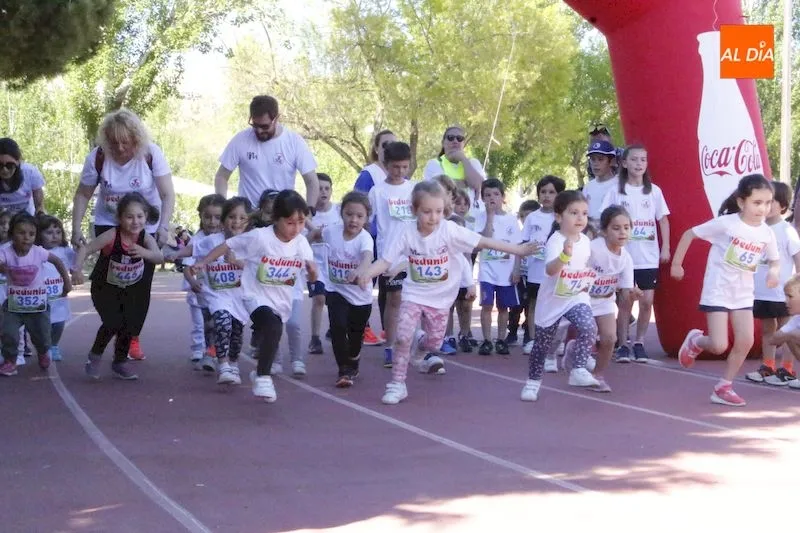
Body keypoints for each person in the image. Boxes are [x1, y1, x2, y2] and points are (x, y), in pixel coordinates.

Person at [354, 181, 537, 405]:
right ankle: (397, 384)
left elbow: (484, 241)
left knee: (434, 343)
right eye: (427, 212)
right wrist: (367, 274)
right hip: (414, 293)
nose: (433, 217)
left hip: (441, 299)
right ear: (414, 210)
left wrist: (518, 249)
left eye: (438, 212)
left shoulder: (449, 230)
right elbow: (385, 260)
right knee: (402, 338)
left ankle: (421, 350)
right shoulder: (406, 231)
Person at [192, 190, 317, 403]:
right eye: (290, 223)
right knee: (272, 326)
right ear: (276, 219)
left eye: (301, 222)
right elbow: (228, 245)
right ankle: (263, 377)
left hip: (281, 298)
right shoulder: (260, 237)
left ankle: (259, 371)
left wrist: (313, 274)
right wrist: (204, 262)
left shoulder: (301, 243)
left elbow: (312, 275)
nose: (296, 228)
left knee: (274, 332)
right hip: (254, 296)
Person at [71, 108, 175, 361]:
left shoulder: (151, 154)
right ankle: (115, 324)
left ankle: (132, 335)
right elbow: (83, 193)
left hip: (143, 225)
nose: (119, 148)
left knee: (139, 285)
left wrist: (163, 225)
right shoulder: (97, 157)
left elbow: (167, 194)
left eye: (125, 142)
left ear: (136, 140)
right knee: (113, 280)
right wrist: (75, 228)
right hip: (109, 222)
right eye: (113, 142)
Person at [671, 174, 779, 407]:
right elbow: (689, 234)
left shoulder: (766, 233)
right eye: (757, 203)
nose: (763, 208)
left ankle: (723, 386)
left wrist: (773, 272)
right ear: (742, 202)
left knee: (746, 341)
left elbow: (774, 260)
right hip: (718, 290)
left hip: (742, 294)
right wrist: (677, 264)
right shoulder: (727, 224)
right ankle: (697, 341)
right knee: (719, 345)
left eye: (768, 203)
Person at [74, 193, 165, 380]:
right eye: (129, 217)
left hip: (130, 288)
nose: (135, 222)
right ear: (119, 218)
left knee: (129, 323)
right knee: (113, 322)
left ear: (146, 217)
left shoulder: (146, 238)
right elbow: (86, 248)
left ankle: (120, 361)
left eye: (140, 217)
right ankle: (95, 356)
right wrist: (77, 269)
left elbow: (159, 257)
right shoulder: (112, 235)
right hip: (105, 287)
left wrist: (144, 252)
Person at [521, 191, 600, 403]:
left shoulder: (585, 241)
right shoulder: (556, 241)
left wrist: (588, 277)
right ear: (558, 217)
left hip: (575, 297)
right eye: (573, 213)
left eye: (584, 213)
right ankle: (533, 382)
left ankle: (578, 369)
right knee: (542, 346)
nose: (580, 218)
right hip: (552, 300)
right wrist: (565, 255)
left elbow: (586, 265)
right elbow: (550, 269)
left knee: (589, 326)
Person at [601, 144, 670, 363]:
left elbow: (663, 219)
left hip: (648, 256)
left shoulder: (654, 191)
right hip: (624, 256)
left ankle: (639, 342)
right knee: (625, 301)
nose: (638, 164)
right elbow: (605, 219)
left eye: (643, 160)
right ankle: (622, 344)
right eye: (634, 160)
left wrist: (666, 247)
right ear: (624, 163)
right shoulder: (615, 191)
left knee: (647, 301)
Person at [214, 95, 320, 209]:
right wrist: (222, 208)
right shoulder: (240, 140)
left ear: (276, 119)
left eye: (264, 126)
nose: (259, 131)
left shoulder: (294, 142)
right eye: (255, 125)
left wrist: (310, 209)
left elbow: (311, 181)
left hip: (281, 216)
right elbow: (221, 176)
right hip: (249, 218)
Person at [189, 197, 250, 386]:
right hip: (217, 296)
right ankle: (223, 365)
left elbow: (258, 268)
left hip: (240, 297)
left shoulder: (252, 242)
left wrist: (236, 262)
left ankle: (233, 363)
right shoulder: (211, 241)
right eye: (232, 217)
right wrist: (175, 255)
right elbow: (192, 252)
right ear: (224, 219)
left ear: (249, 221)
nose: (236, 222)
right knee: (222, 323)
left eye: (242, 218)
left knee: (236, 332)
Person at [0, 213, 71, 376]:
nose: (26, 238)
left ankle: (43, 351)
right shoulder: (6, 252)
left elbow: (58, 262)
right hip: (14, 304)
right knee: (8, 333)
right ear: (12, 235)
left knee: (42, 336)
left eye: (31, 234)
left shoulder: (38, 252)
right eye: (21, 233)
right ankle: (10, 361)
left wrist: (66, 281)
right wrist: (3, 269)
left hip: (37, 305)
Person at [745, 182, 800, 385]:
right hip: (761, 291)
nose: (766, 206)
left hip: (782, 293)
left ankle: (787, 369)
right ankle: (768, 366)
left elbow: (797, 259)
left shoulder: (787, 231)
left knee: (786, 332)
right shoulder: (756, 229)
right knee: (768, 330)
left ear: (783, 205)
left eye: (772, 202)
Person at [318, 191, 374, 387]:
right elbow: (316, 233)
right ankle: (344, 369)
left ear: (366, 218)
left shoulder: (365, 239)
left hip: (361, 296)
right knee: (338, 327)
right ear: (341, 214)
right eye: (349, 214)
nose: (354, 220)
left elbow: (367, 258)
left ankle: (353, 359)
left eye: (359, 216)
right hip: (336, 290)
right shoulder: (331, 231)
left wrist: (359, 272)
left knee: (356, 334)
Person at [368, 141, 415, 368]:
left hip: (414, 255)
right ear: (386, 165)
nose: (400, 172)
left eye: (404, 167)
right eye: (396, 167)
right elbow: (368, 223)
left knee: (415, 301)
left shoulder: (414, 189)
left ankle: (412, 343)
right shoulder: (377, 192)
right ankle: (390, 346)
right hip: (390, 254)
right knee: (394, 299)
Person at [587, 206, 636, 392]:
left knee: (609, 338)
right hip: (583, 299)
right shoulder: (593, 249)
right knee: (585, 333)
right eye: (616, 228)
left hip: (605, 300)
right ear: (604, 231)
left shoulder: (626, 258)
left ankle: (597, 376)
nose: (622, 232)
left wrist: (632, 294)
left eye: (626, 227)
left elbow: (625, 292)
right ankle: (568, 351)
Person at [521, 175, 567, 364]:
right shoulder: (532, 217)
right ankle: (533, 339)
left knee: (557, 306)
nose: (547, 196)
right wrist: (518, 269)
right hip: (535, 270)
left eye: (552, 192)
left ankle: (558, 340)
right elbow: (524, 242)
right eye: (543, 192)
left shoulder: (563, 216)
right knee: (534, 304)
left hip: (556, 270)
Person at [473, 178, 522, 356]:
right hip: (487, 271)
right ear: (482, 198)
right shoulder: (480, 218)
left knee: (503, 307)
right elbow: (481, 242)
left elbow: (517, 247)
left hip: (506, 271)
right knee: (486, 305)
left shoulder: (511, 219)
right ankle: (486, 340)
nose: (492, 198)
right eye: (487, 195)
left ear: (503, 197)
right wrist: (490, 217)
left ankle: (501, 339)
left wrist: (516, 269)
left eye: (496, 194)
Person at [422, 125, 486, 229]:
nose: (455, 141)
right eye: (450, 138)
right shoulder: (434, 164)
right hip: (446, 222)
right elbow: (441, 188)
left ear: (463, 143)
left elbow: (478, 185)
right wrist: (466, 183)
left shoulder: (473, 163)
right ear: (443, 142)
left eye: (459, 138)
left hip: (473, 224)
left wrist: (463, 159)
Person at [306, 173, 340, 354]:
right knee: (319, 299)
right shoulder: (307, 216)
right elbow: (304, 241)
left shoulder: (338, 212)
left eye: (327, 188)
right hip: (315, 264)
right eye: (319, 188)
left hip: (334, 265)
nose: (323, 192)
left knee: (335, 302)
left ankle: (333, 330)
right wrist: (313, 233)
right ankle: (315, 338)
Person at [36, 215, 78, 362]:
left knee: (59, 324)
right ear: (39, 234)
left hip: (59, 297)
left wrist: (80, 247)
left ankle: (54, 345)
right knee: (42, 327)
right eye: (49, 232)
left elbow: (76, 262)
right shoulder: (36, 250)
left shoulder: (65, 250)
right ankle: (44, 347)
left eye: (58, 232)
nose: (54, 236)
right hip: (40, 298)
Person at [507, 199, 539, 346]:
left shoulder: (538, 236)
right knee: (516, 305)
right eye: (523, 216)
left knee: (530, 305)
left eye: (530, 215)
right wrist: (516, 270)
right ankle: (512, 331)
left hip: (532, 275)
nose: (526, 219)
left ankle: (528, 333)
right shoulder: (518, 235)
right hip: (520, 274)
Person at [761, 274, 800, 389]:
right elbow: (773, 340)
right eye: (785, 296)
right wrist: (789, 335)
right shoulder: (796, 320)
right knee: (790, 337)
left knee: (791, 335)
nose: (786, 301)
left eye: (790, 296)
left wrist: (791, 334)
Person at [0, 138, 45, 215]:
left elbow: (39, 207)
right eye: (0, 165)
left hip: (27, 219)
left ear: (18, 162)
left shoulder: (30, 173)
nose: (5, 170)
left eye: (9, 165)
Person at [582, 140, 618, 225]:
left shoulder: (619, 185)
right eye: (593, 159)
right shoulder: (588, 187)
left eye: (600, 159)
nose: (595, 164)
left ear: (611, 161)